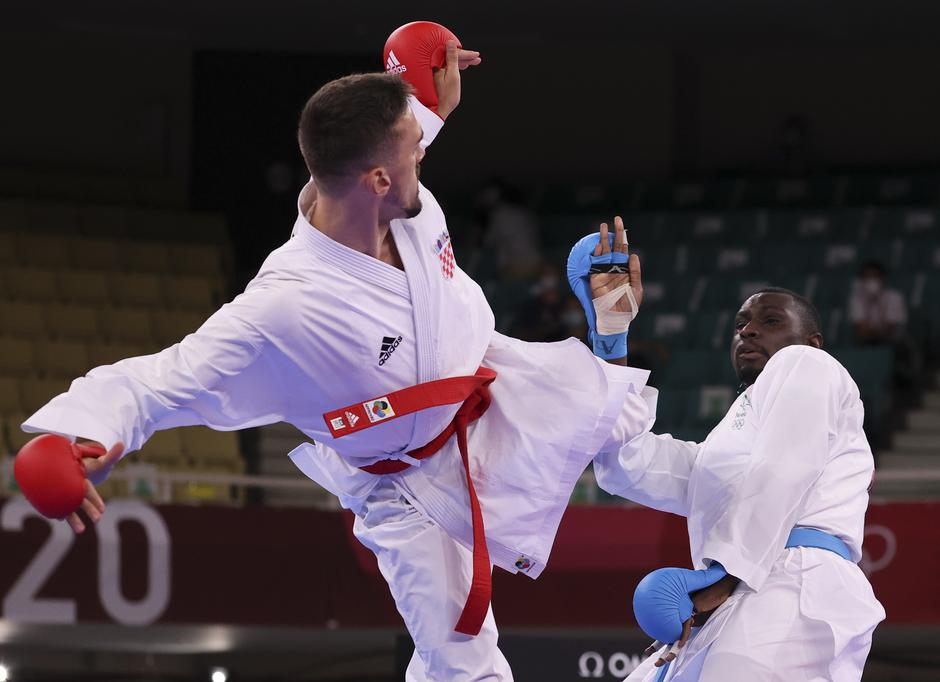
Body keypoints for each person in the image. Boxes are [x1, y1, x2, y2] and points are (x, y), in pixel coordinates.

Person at [20, 45, 653, 682]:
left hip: (490, 381)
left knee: (624, 426)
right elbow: (162, 377)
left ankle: (610, 335)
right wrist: (84, 431)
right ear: (377, 179)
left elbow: (403, 125)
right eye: (416, 146)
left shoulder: (388, 185)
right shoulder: (286, 305)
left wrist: (430, 75)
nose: (427, 151)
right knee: (462, 659)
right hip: (403, 480)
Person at [590, 285, 885, 681]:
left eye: (771, 321)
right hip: (739, 586)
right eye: (740, 324)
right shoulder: (724, 445)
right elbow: (625, 463)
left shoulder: (808, 363)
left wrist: (721, 576)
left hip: (789, 581)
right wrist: (611, 337)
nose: (747, 331)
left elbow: (782, 467)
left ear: (813, 342)